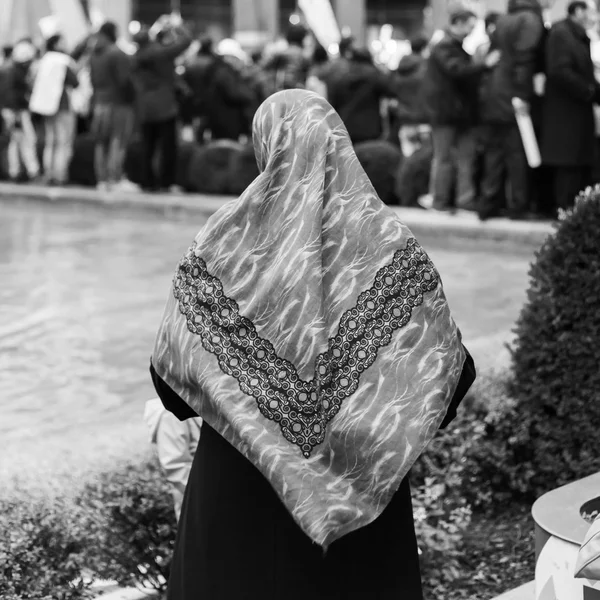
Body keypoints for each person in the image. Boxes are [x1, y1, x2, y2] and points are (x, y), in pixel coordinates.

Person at [149, 89, 476, 600]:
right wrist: (369, 415)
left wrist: (251, 403)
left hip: (237, 507)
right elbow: (451, 378)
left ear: (266, 146)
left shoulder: (222, 244)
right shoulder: (390, 246)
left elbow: (170, 385)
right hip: (363, 520)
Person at [421, 8, 500, 212]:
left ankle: (461, 200)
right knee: (446, 158)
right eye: (470, 26)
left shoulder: (452, 46)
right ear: (458, 23)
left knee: (463, 158)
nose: (471, 31)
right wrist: (484, 65)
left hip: (457, 114)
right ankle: (441, 201)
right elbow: (457, 70)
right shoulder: (445, 47)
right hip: (447, 113)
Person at [478, 0, 545, 221]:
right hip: (512, 95)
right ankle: (517, 206)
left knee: (494, 153)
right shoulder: (529, 19)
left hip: (494, 95)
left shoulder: (504, 20)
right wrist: (524, 95)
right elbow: (525, 61)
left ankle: (488, 205)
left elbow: (495, 56)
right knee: (516, 154)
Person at [542, 0, 600, 210]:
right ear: (578, 11)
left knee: (579, 168)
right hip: (566, 117)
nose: (594, 17)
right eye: (592, 12)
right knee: (569, 169)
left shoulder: (577, 35)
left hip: (577, 115)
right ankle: (564, 214)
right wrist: (589, 91)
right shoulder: (562, 34)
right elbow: (560, 71)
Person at [133, 21, 192, 192]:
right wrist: (176, 25)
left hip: (145, 107)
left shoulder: (136, 56)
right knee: (168, 147)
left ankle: (147, 182)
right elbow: (186, 41)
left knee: (147, 146)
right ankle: (166, 183)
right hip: (165, 106)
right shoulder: (161, 53)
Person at [89, 21, 136, 191]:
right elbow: (125, 81)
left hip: (99, 102)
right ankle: (114, 178)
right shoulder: (117, 53)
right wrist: (132, 98)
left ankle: (101, 180)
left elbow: (93, 80)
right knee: (118, 140)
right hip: (118, 103)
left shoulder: (94, 53)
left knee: (101, 142)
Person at [30, 34, 79, 186]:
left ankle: (48, 172)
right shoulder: (63, 61)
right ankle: (60, 174)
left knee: (50, 140)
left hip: (45, 107)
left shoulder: (42, 61)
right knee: (62, 141)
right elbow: (75, 82)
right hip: (62, 104)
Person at [143, 398, 202, 521]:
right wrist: (208, 495)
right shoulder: (170, 412)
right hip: (198, 501)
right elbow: (175, 466)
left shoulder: (200, 400)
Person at [328, 47, 398, 144]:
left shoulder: (341, 76)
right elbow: (392, 90)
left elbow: (333, 103)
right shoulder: (375, 75)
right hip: (370, 128)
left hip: (345, 126)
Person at [1, 39, 40, 182]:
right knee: (24, 141)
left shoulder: (9, 69)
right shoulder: (13, 71)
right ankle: (27, 171)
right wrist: (16, 112)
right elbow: (10, 93)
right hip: (16, 111)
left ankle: (17, 171)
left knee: (16, 142)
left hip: (13, 110)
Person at [394, 34, 430, 158]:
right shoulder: (426, 67)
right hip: (424, 118)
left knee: (408, 157)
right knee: (425, 157)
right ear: (424, 48)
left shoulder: (400, 67)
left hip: (405, 118)